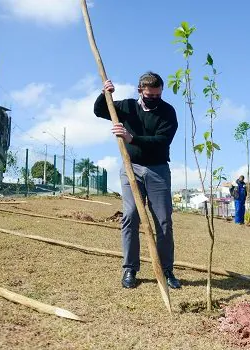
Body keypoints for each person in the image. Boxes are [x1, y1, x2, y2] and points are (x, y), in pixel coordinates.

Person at [93, 72, 181, 290]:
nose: (154, 99)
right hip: (131, 167)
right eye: (150, 95)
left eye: (158, 95)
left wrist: (132, 138)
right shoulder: (129, 107)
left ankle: (167, 269)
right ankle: (130, 268)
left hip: (158, 170)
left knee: (163, 221)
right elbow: (100, 111)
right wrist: (105, 94)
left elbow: (162, 141)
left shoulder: (168, 112)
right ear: (140, 91)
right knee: (131, 215)